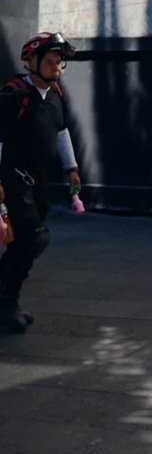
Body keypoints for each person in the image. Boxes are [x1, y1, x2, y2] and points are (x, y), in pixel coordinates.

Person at [0, 32, 81, 334]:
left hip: (39, 182)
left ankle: (8, 300)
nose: (57, 68)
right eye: (50, 62)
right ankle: (5, 303)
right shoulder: (14, 95)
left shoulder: (55, 94)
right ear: (30, 61)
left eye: (59, 63)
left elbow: (61, 132)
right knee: (34, 238)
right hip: (12, 180)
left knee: (25, 242)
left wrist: (71, 167)